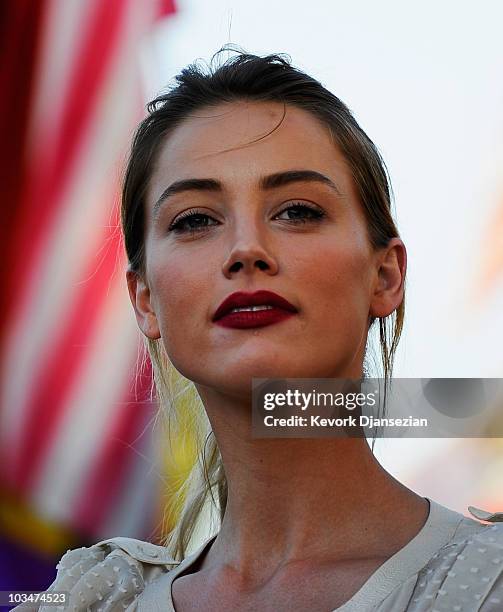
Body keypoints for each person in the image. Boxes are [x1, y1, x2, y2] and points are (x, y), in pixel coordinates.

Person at [15, 47, 503, 612]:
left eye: (297, 210)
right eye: (195, 220)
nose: (246, 249)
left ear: (385, 274)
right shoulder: (90, 600)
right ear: (144, 299)